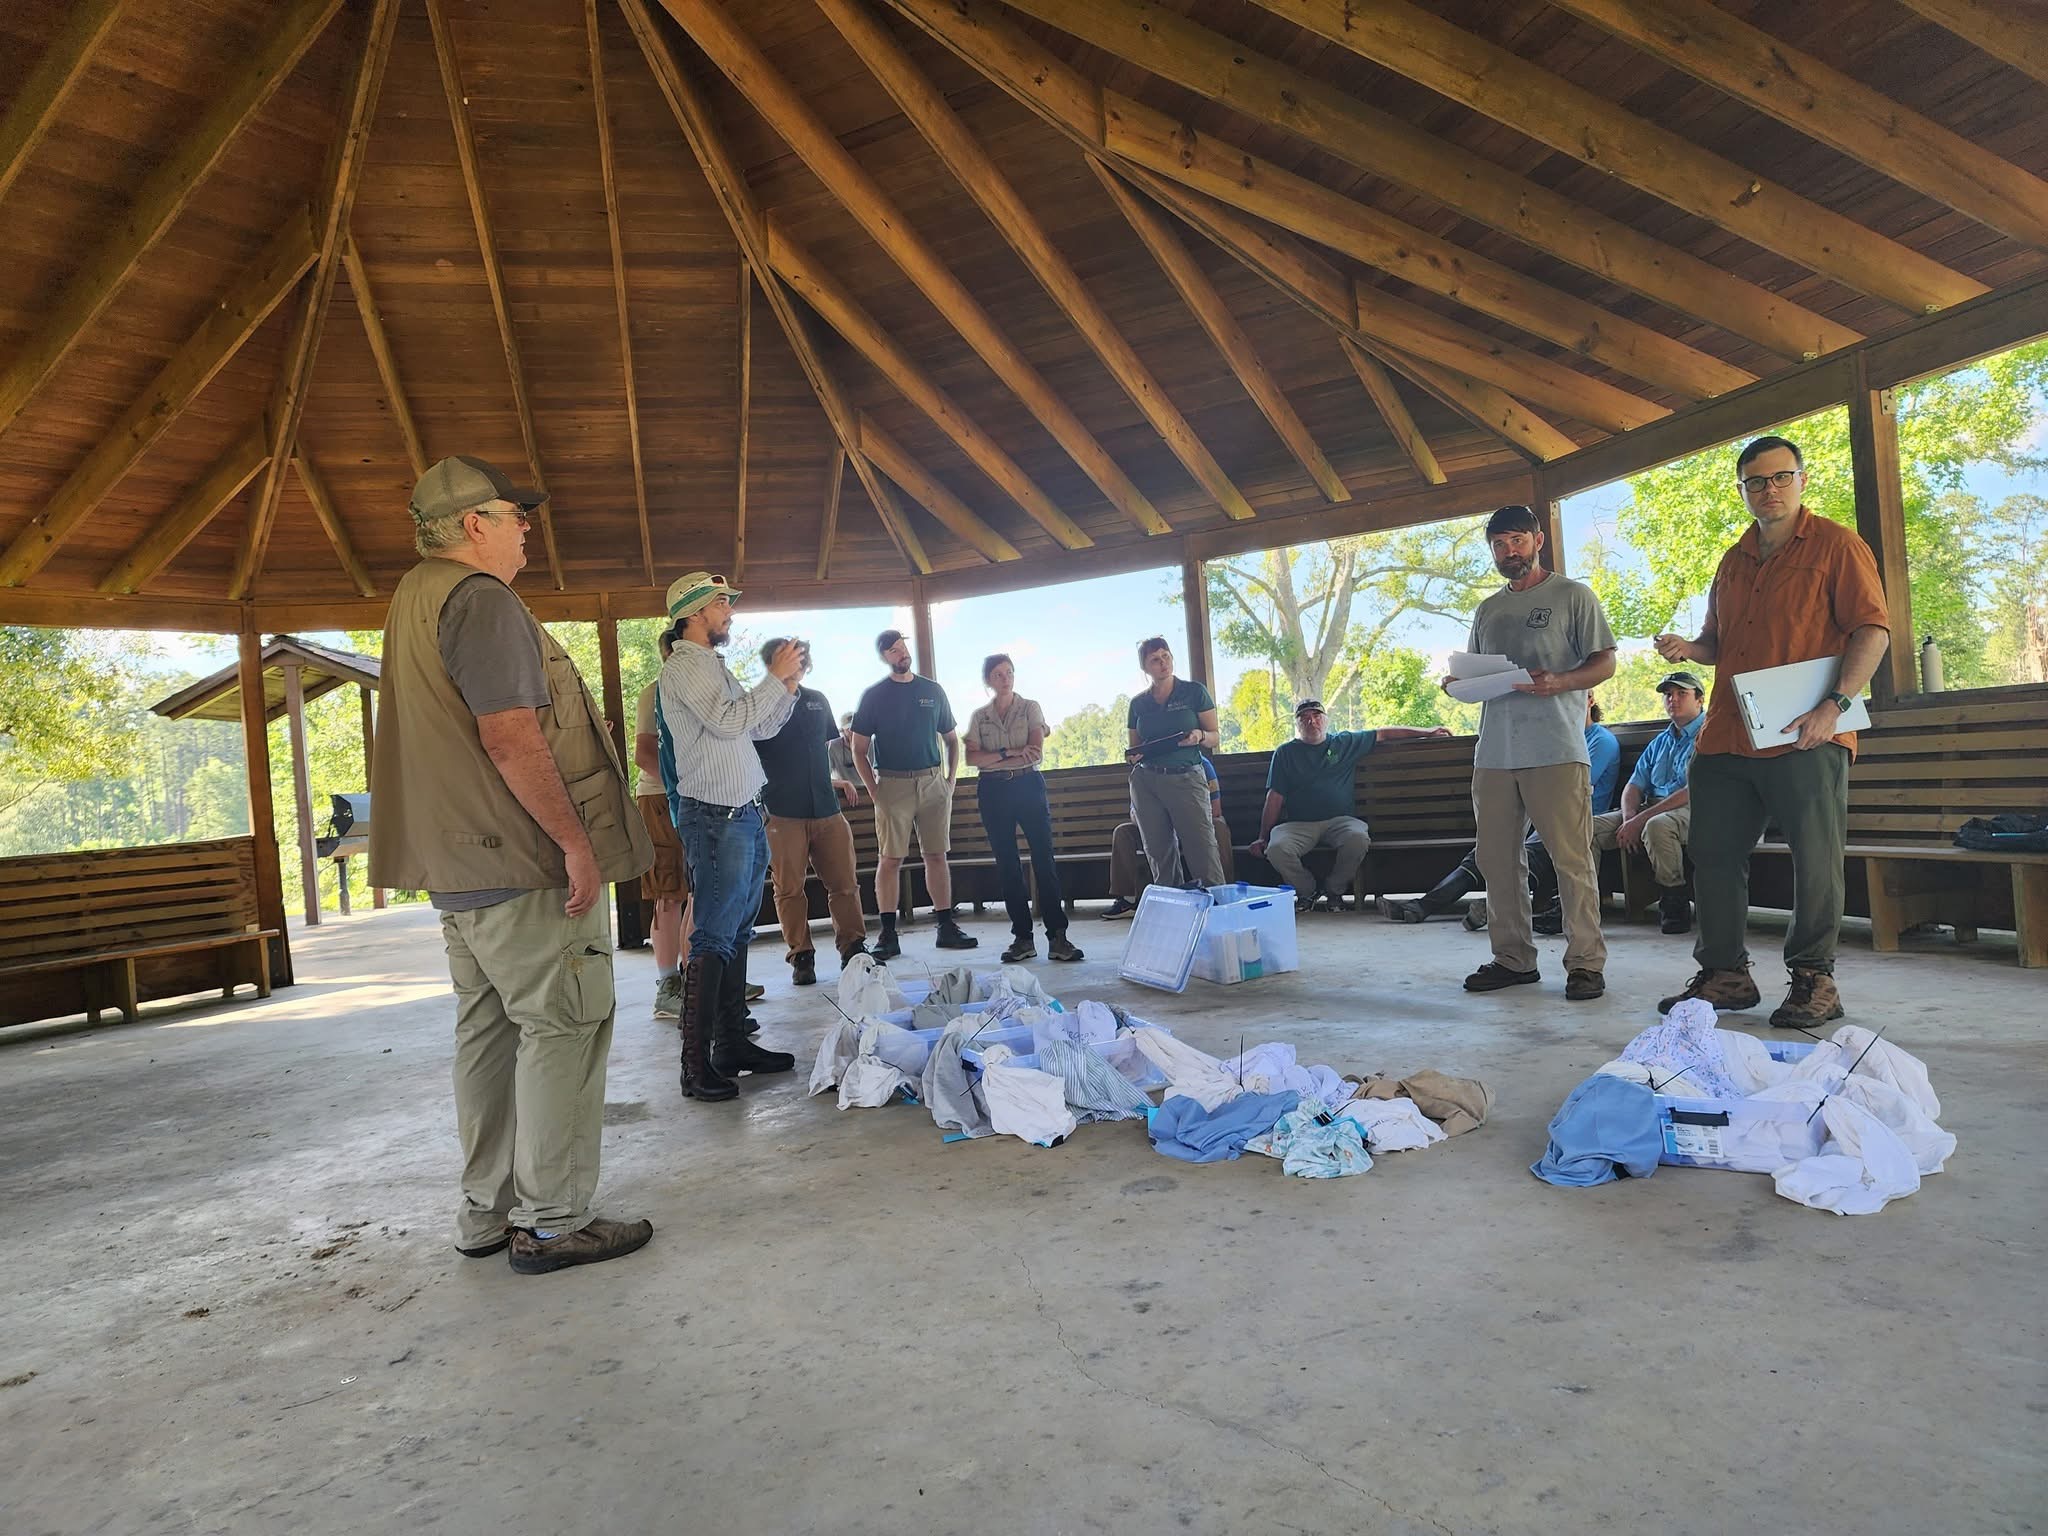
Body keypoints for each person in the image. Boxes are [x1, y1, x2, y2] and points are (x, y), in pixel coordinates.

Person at [368, 454, 653, 1276]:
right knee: (564, 1024)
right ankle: (555, 1221)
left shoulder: (415, 595)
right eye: (514, 515)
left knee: (488, 1035)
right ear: (473, 524)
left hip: (461, 870)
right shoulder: (482, 600)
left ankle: (486, 1213)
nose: (527, 528)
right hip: (522, 863)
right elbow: (510, 736)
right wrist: (574, 842)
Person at [1654, 435, 1891, 1026]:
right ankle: (1725, 975)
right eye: (1756, 481)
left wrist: (1835, 705)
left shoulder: (1838, 544)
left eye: (1782, 476)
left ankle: (1815, 978)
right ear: (1742, 491)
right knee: (1711, 853)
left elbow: (1872, 629)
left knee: (1815, 857)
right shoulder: (1732, 560)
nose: (1770, 489)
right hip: (1727, 735)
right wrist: (1689, 648)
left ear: (1802, 480)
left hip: (1806, 731)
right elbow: (1717, 644)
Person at [1447, 504, 1616, 1002]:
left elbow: (1605, 662)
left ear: (1538, 541)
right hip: (1494, 753)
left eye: (1517, 541)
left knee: (1571, 859)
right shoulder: (1488, 610)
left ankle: (1585, 963)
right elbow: (1478, 673)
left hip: (1557, 748)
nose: (1508, 552)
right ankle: (1513, 959)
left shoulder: (1573, 596)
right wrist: (1457, 685)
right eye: (1499, 545)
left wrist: (1561, 681)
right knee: (1496, 860)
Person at [658, 570, 806, 1101]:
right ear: (695, 612)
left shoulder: (713, 666)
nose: (730, 612)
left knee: (737, 932)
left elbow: (758, 727)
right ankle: (695, 1064)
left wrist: (787, 686)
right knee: (714, 935)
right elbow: (726, 721)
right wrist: (773, 677)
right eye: (722, 603)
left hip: (741, 813)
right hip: (716, 816)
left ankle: (731, 1045)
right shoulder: (684, 666)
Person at [1381, 698, 1618, 929]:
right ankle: (1422, 906)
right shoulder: (1556, 740)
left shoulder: (1601, 741)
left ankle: (1489, 909)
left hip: (1574, 821)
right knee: (1484, 854)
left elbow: (1573, 786)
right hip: (1539, 820)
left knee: (1527, 855)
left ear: (1589, 701)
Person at [849, 629, 977, 960]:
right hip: (892, 784)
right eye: (893, 650)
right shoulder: (874, 696)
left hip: (932, 782)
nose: (901, 653)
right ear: (884, 657)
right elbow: (858, 749)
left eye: (903, 647)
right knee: (890, 859)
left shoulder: (932, 691)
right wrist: (875, 791)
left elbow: (952, 740)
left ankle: (946, 926)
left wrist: (950, 781)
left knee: (937, 855)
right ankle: (888, 934)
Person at [1250, 700, 1449, 911]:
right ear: (1297, 724)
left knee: (1358, 838)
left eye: (1317, 716)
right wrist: (1263, 836)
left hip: (1340, 821)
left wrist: (1428, 732)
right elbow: (1274, 797)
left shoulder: (1344, 742)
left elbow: (1383, 734)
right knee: (1277, 848)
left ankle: (1334, 891)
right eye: (1304, 717)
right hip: (1299, 824)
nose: (1312, 721)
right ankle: (1306, 891)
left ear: (1326, 720)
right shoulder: (1285, 753)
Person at [754, 637, 868, 986]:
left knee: (845, 883)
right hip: (782, 811)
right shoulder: (757, 705)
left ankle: (854, 949)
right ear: (771, 663)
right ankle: (801, 955)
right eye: (789, 658)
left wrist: (836, 783)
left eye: (802, 658)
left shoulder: (818, 699)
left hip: (826, 809)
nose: (798, 664)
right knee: (788, 888)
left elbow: (818, 754)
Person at [963, 654, 1083, 963]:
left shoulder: (1030, 708)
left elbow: (1034, 753)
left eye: (1009, 672)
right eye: (998, 674)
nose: (1005, 678)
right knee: (1007, 865)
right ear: (988, 680)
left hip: (1028, 785)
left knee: (1043, 859)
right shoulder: (980, 717)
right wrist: (1009, 752)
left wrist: (994, 757)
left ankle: (1058, 937)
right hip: (992, 791)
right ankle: (1022, 938)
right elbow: (972, 758)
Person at [1593, 671, 1705, 935]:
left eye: (1682, 693)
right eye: (1668, 694)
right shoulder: (1661, 741)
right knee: (1587, 828)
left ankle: (1674, 900)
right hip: (1652, 808)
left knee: (1657, 825)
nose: (1673, 699)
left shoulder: (1709, 735)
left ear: (1700, 700)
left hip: (1697, 810)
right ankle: (1582, 901)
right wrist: (1629, 818)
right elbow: (1634, 785)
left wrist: (1640, 820)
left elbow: (1693, 791)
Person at [1125, 637, 1224, 891]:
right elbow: (1136, 746)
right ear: (1145, 667)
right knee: (1158, 852)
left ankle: (1215, 903)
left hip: (1186, 776)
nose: (1163, 663)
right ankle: (1172, 906)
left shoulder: (1194, 692)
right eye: (1155, 660)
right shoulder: (1138, 704)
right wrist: (1134, 756)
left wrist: (1199, 736)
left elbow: (1214, 735)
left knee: (1201, 848)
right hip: (1147, 781)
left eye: (1166, 656)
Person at [634, 630, 690, 1020]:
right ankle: (668, 985)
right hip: (660, 798)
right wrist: (679, 789)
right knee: (668, 892)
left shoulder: (704, 693)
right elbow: (643, 754)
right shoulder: (653, 693)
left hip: (699, 799)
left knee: (703, 892)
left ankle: (703, 976)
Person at [1102, 756, 1235, 918]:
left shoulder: (1202, 765)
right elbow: (1134, 813)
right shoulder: (1142, 775)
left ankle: (1223, 894)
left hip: (1192, 822)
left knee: (1219, 826)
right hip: (1155, 827)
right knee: (1122, 832)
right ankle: (1127, 899)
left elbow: (1215, 808)